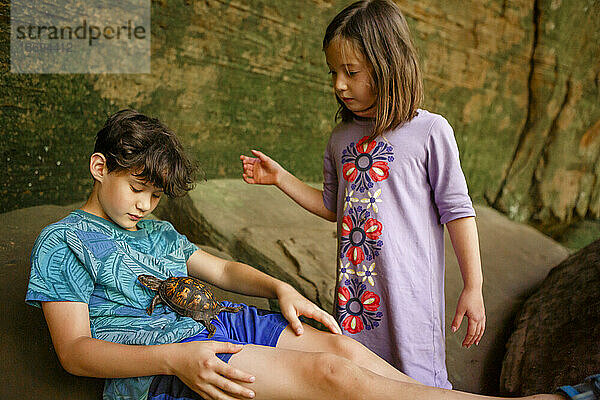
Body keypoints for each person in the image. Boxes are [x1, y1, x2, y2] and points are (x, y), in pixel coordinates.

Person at [25, 109, 595, 400]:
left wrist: (278, 287)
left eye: (155, 195)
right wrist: (174, 360)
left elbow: (219, 268)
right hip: (169, 361)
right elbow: (75, 353)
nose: (145, 205)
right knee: (331, 375)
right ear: (99, 168)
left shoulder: (151, 233)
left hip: (219, 322)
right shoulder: (63, 242)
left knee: (346, 349)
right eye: (136, 188)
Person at [240, 0, 484, 389]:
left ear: (388, 65)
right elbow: (332, 206)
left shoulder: (430, 132)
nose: (338, 83)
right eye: (333, 72)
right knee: (359, 383)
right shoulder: (341, 138)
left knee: (419, 387)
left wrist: (474, 287)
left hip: (411, 302)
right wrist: (281, 178)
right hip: (357, 299)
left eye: (351, 72)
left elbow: (457, 210)